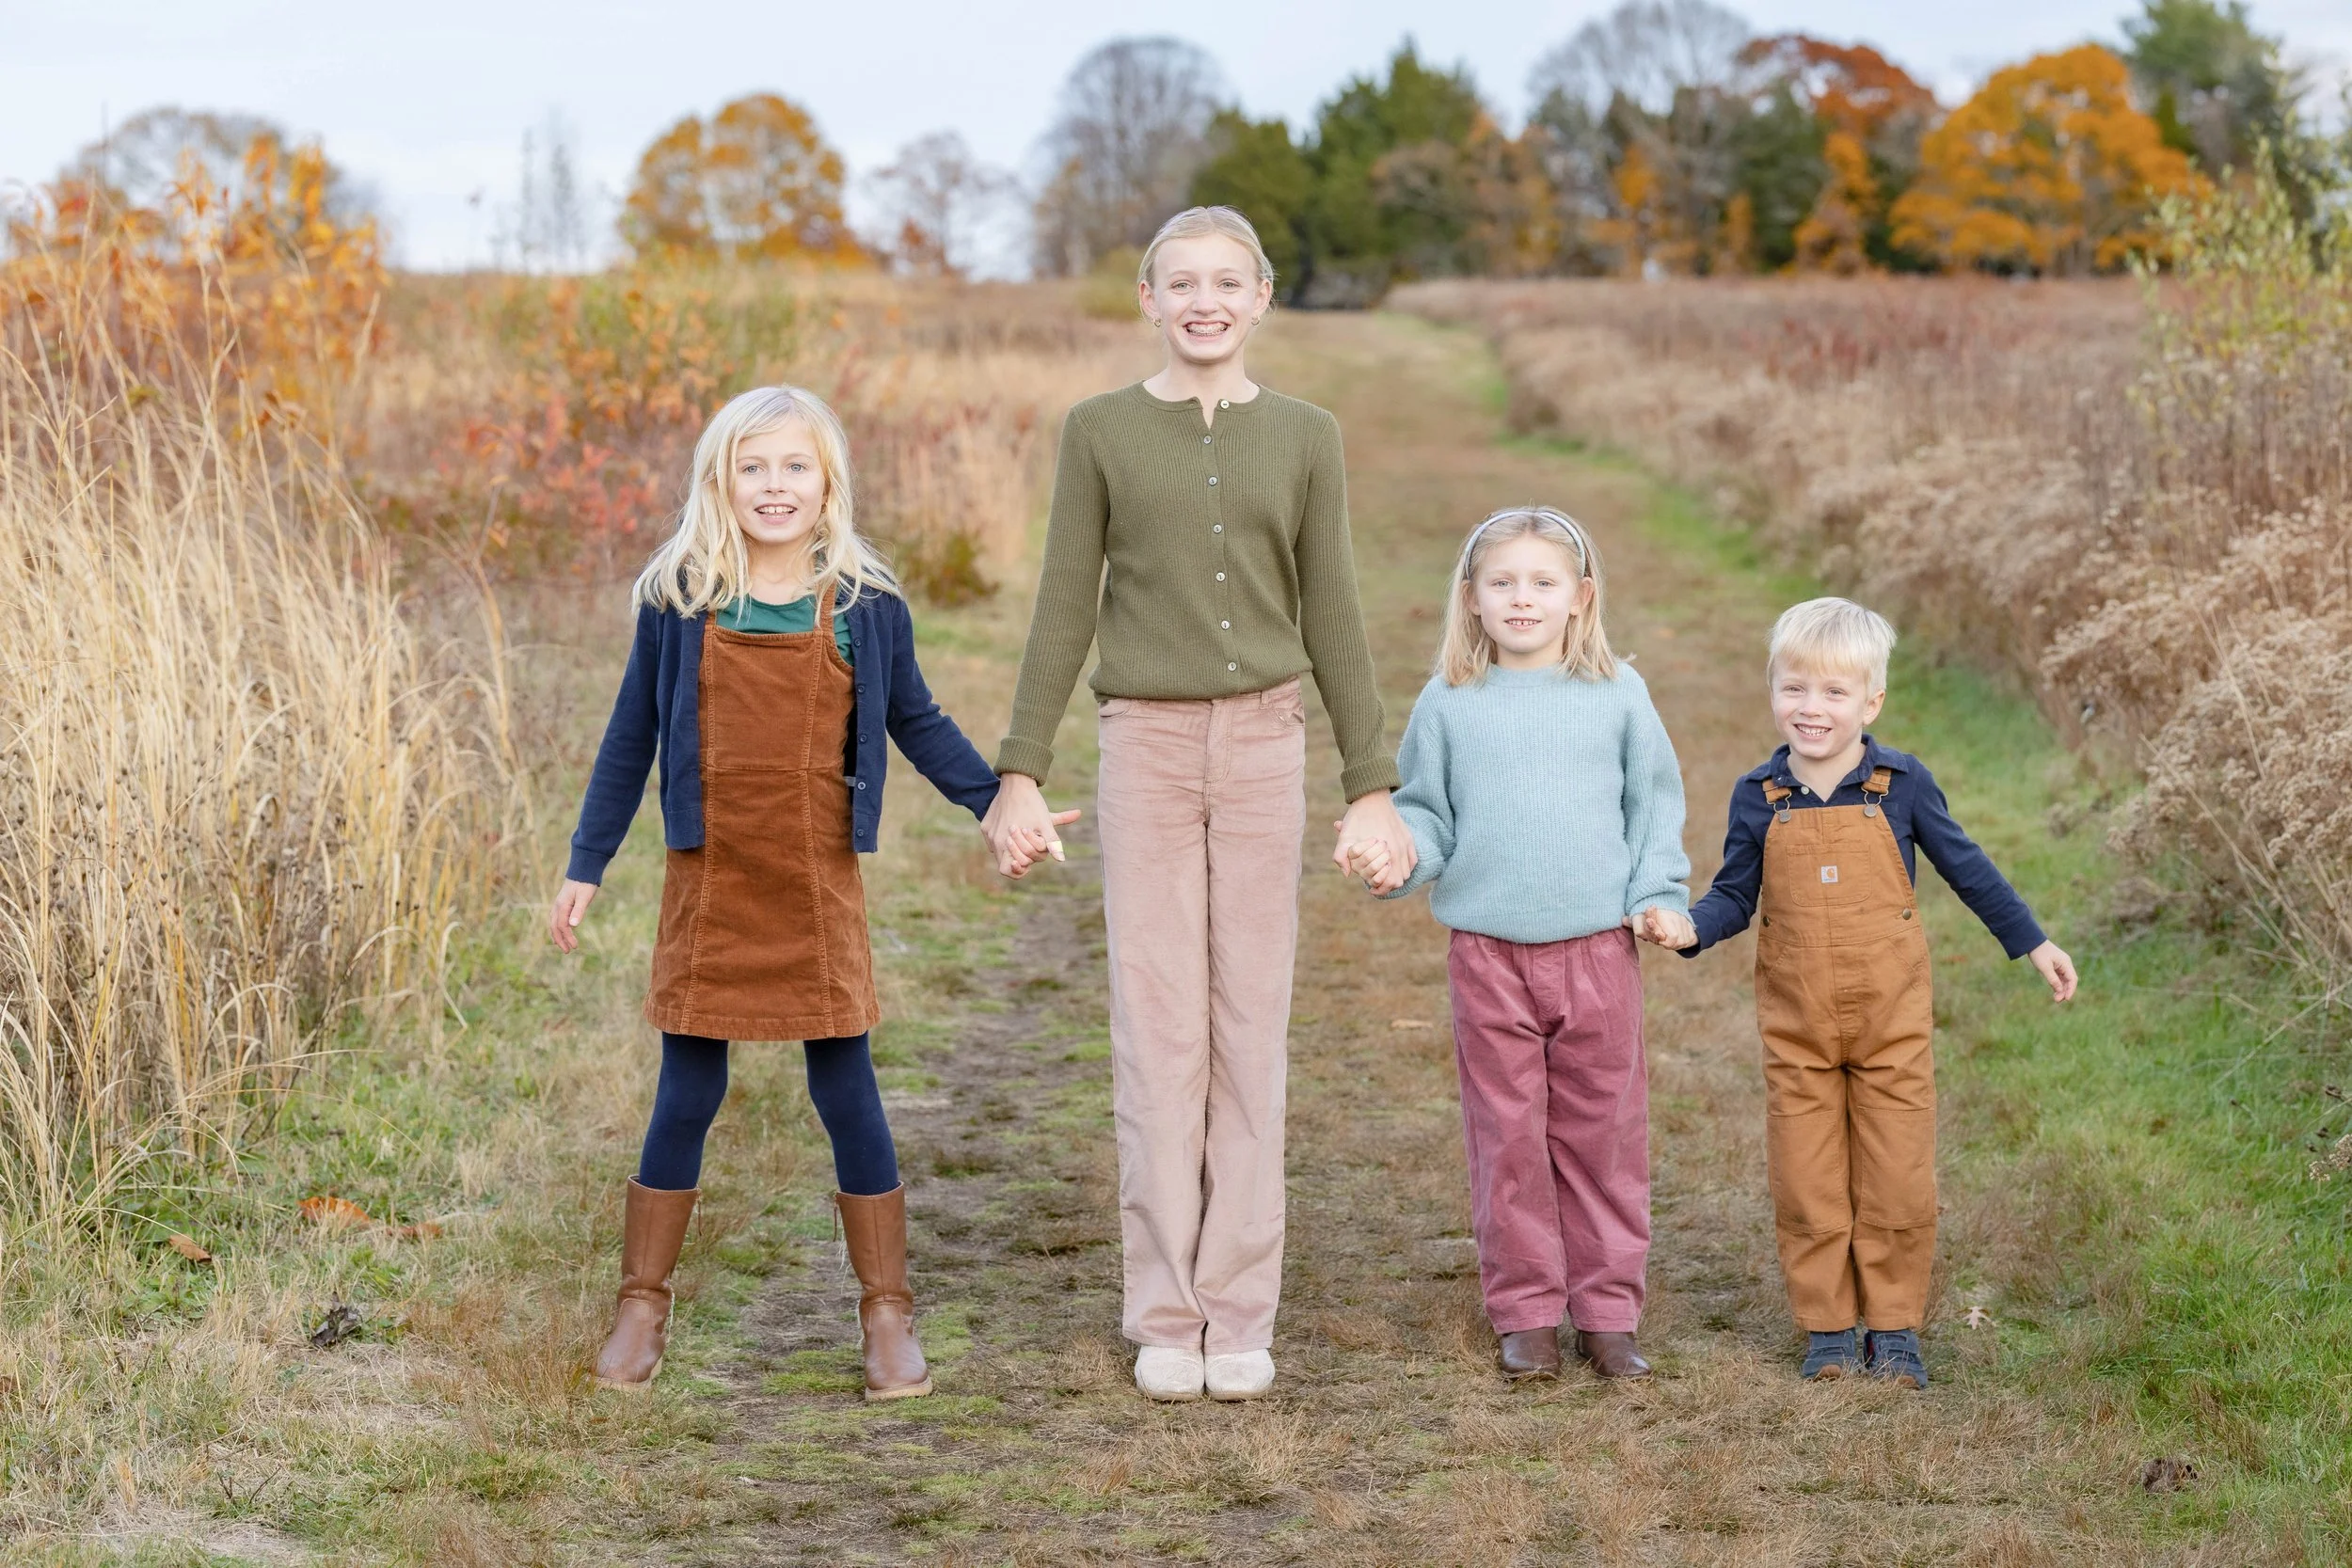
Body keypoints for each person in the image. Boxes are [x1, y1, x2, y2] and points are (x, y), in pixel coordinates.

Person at [981, 205, 1416, 1402]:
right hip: (1148, 750)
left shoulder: (1307, 435)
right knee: (1158, 1034)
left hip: (1268, 746)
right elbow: (1064, 604)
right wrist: (1018, 766)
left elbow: (1334, 611)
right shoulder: (1102, 431)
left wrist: (1368, 783)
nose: (1205, 300)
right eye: (1183, 282)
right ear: (1149, 299)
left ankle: (1240, 1309)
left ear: (1263, 296)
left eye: (1228, 281)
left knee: (1248, 1034)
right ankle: (1166, 1312)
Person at [549, 386, 1060, 1399]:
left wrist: (995, 801)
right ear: (719, 482)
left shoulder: (865, 603)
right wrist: (585, 860)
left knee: (846, 1088)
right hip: (711, 878)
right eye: (752, 467)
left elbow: (916, 719)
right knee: (687, 1087)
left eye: (793, 467)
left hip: (815, 879)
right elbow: (628, 740)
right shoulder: (679, 599)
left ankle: (886, 1311)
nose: (773, 486)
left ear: (827, 482)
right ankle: (641, 1300)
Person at [1659, 596, 2078, 1388]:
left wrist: (2032, 941)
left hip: (1892, 1025)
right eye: (1794, 689)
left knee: (1896, 1173)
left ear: (1871, 702)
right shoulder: (1759, 794)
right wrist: (1691, 927)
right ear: (1773, 690)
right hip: (1798, 1029)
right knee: (1806, 1174)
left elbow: (1969, 868)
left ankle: (1893, 1328)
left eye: (1833, 693)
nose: (1811, 708)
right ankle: (1826, 1327)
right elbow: (1734, 895)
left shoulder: (1901, 785)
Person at [1343, 507, 1691, 1384]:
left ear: (1581, 597)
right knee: (1507, 1137)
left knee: (1602, 1135)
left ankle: (1609, 1312)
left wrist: (1656, 895)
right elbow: (1426, 810)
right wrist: (1400, 854)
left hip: (1596, 953)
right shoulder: (1450, 702)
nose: (1522, 599)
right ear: (1472, 597)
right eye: (1503, 583)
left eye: (1543, 583)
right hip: (1489, 954)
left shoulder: (1617, 695)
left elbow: (1653, 809)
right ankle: (1528, 1310)